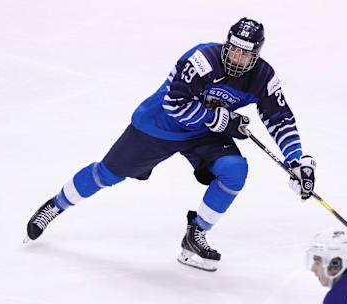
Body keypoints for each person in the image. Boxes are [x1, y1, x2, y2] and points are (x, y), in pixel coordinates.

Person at [24, 17, 317, 272]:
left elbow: (280, 118)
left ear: (256, 55)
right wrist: (221, 120)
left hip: (204, 134)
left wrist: (296, 161)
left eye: (245, 53)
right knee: (106, 175)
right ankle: (56, 205)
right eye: (234, 49)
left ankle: (195, 235)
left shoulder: (263, 76)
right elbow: (174, 104)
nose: (237, 57)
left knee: (235, 170)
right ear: (226, 44)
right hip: (159, 126)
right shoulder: (201, 60)